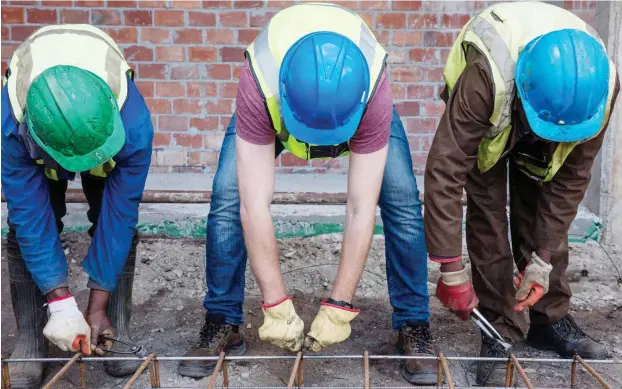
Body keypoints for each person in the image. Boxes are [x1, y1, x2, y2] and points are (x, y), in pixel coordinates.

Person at [179, 3, 435, 385]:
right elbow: (254, 205)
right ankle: (221, 319)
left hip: (353, 105)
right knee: (229, 196)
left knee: (400, 198)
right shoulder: (261, 79)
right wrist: (276, 303)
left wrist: (339, 305)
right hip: (276, 106)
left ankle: (414, 323)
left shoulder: (372, 89)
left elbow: (360, 208)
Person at [423, 1, 619, 385]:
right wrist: (451, 269)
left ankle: (550, 319)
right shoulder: (484, 79)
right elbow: (445, 171)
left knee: (544, 203)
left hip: (548, 104)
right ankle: (499, 330)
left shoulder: (599, 88)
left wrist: (541, 262)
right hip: (489, 112)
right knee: (488, 213)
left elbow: (571, 180)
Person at [1, 24, 153, 388]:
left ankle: (112, 320)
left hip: (102, 132)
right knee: (30, 224)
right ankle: (30, 339)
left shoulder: (134, 126)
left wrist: (95, 304)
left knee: (112, 217)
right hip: (38, 139)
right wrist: (61, 303)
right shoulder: (11, 125)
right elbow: (30, 216)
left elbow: (119, 216)